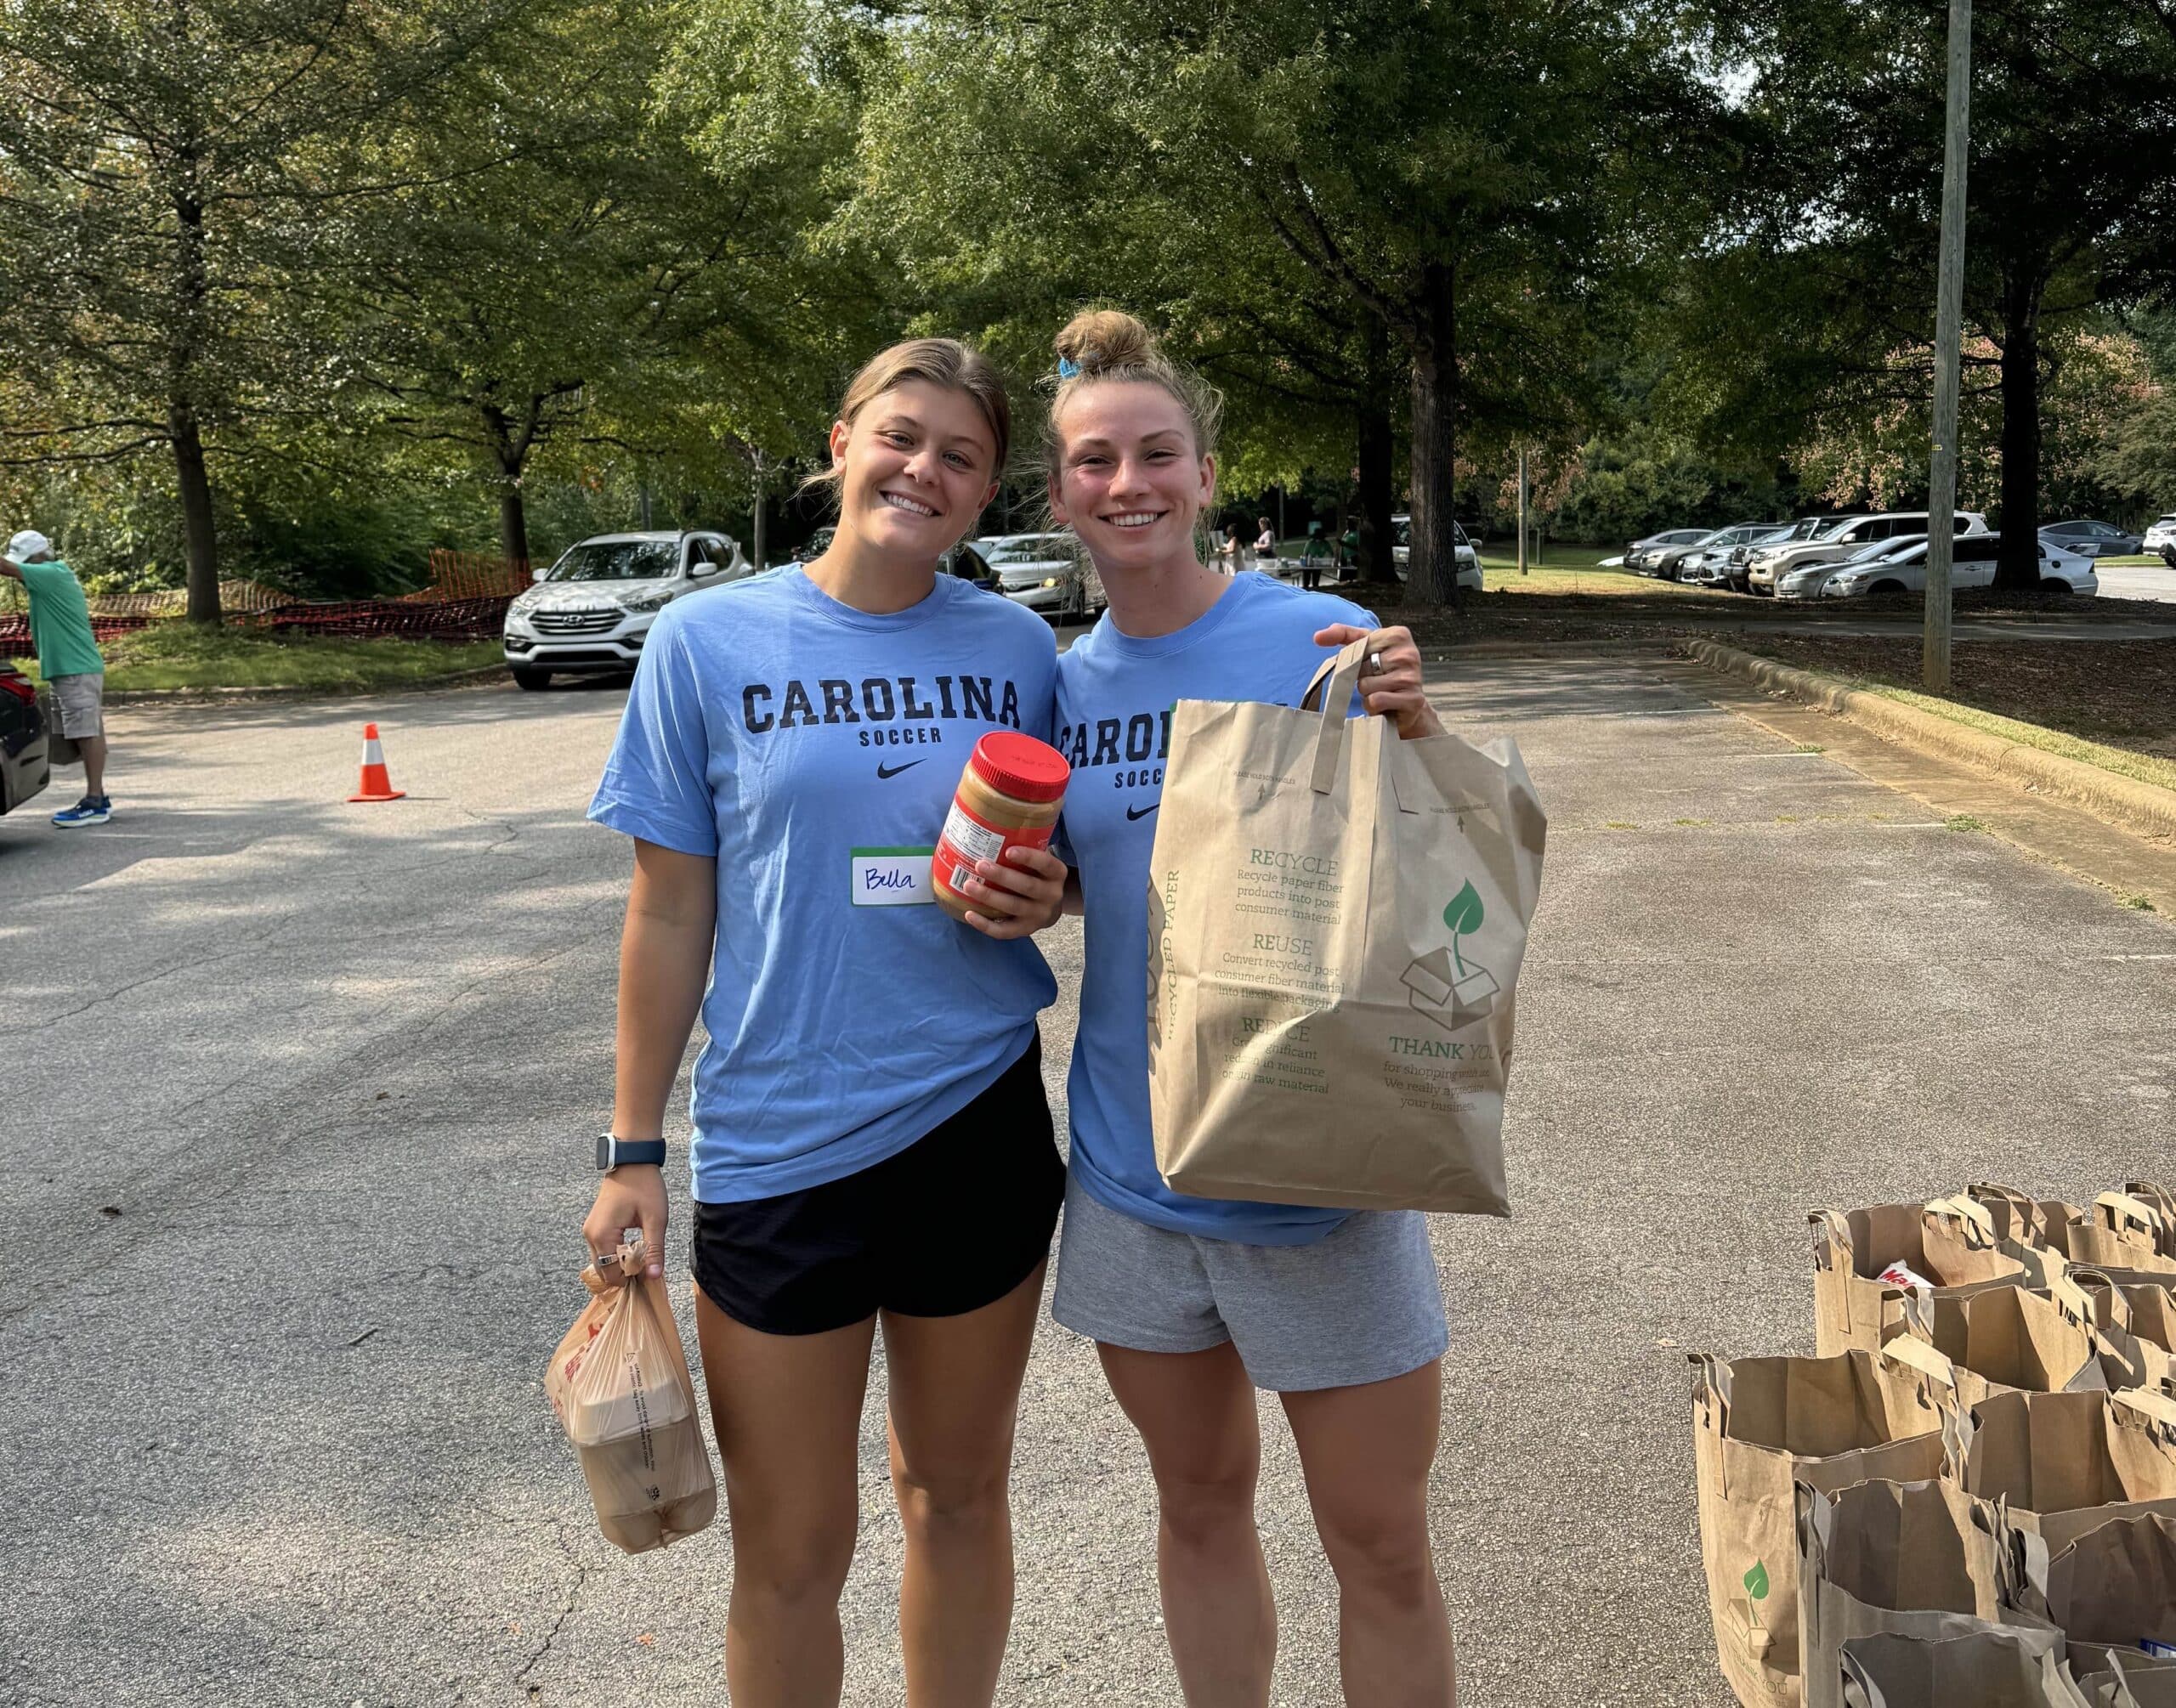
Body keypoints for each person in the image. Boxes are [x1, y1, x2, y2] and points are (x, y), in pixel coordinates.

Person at [582, 338, 1072, 1708]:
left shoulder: (1017, 647)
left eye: (961, 456)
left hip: (975, 1118)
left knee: (958, 1494)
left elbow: (1070, 857)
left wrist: (1049, 889)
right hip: (780, 1139)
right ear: (843, 441)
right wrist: (633, 1147)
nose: (926, 468)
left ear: (986, 496)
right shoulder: (704, 641)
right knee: (793, 1545)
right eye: (902, 435)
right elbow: (668, 912)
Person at [1042, 308, 1458, 1707]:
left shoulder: (1321, 641)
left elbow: (1436, 862)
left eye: (1158, 453)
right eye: (1095, 462)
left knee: (1382, 1547)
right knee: (1200, 1511)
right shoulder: (1057, 686)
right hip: (1130, 1178)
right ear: (1060, 494)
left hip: (1316, 1178)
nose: (1129, 483)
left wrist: (1421, 728)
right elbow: (1089, 886)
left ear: (1208, 477)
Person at [0, 529, 111, 827]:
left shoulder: (48, 573)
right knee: (88, 731)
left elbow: (5, 568)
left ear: (37, 557)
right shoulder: (56, 573)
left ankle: (95, 801)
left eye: (25, 563)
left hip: (74, 668)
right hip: (74, 667)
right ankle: (98, 796)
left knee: (86, 733)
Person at [1300, 520, 1332, 591]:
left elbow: (1331, 553)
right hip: (1309, 563)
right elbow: (1305, 554)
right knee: (1306, 582)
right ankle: (1306, 590)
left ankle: (1315, 589)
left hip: (1318, 564)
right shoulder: (1310, 543)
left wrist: (1328, 559)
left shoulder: (1325, 543)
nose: (1318, 539)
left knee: (1316, 582)